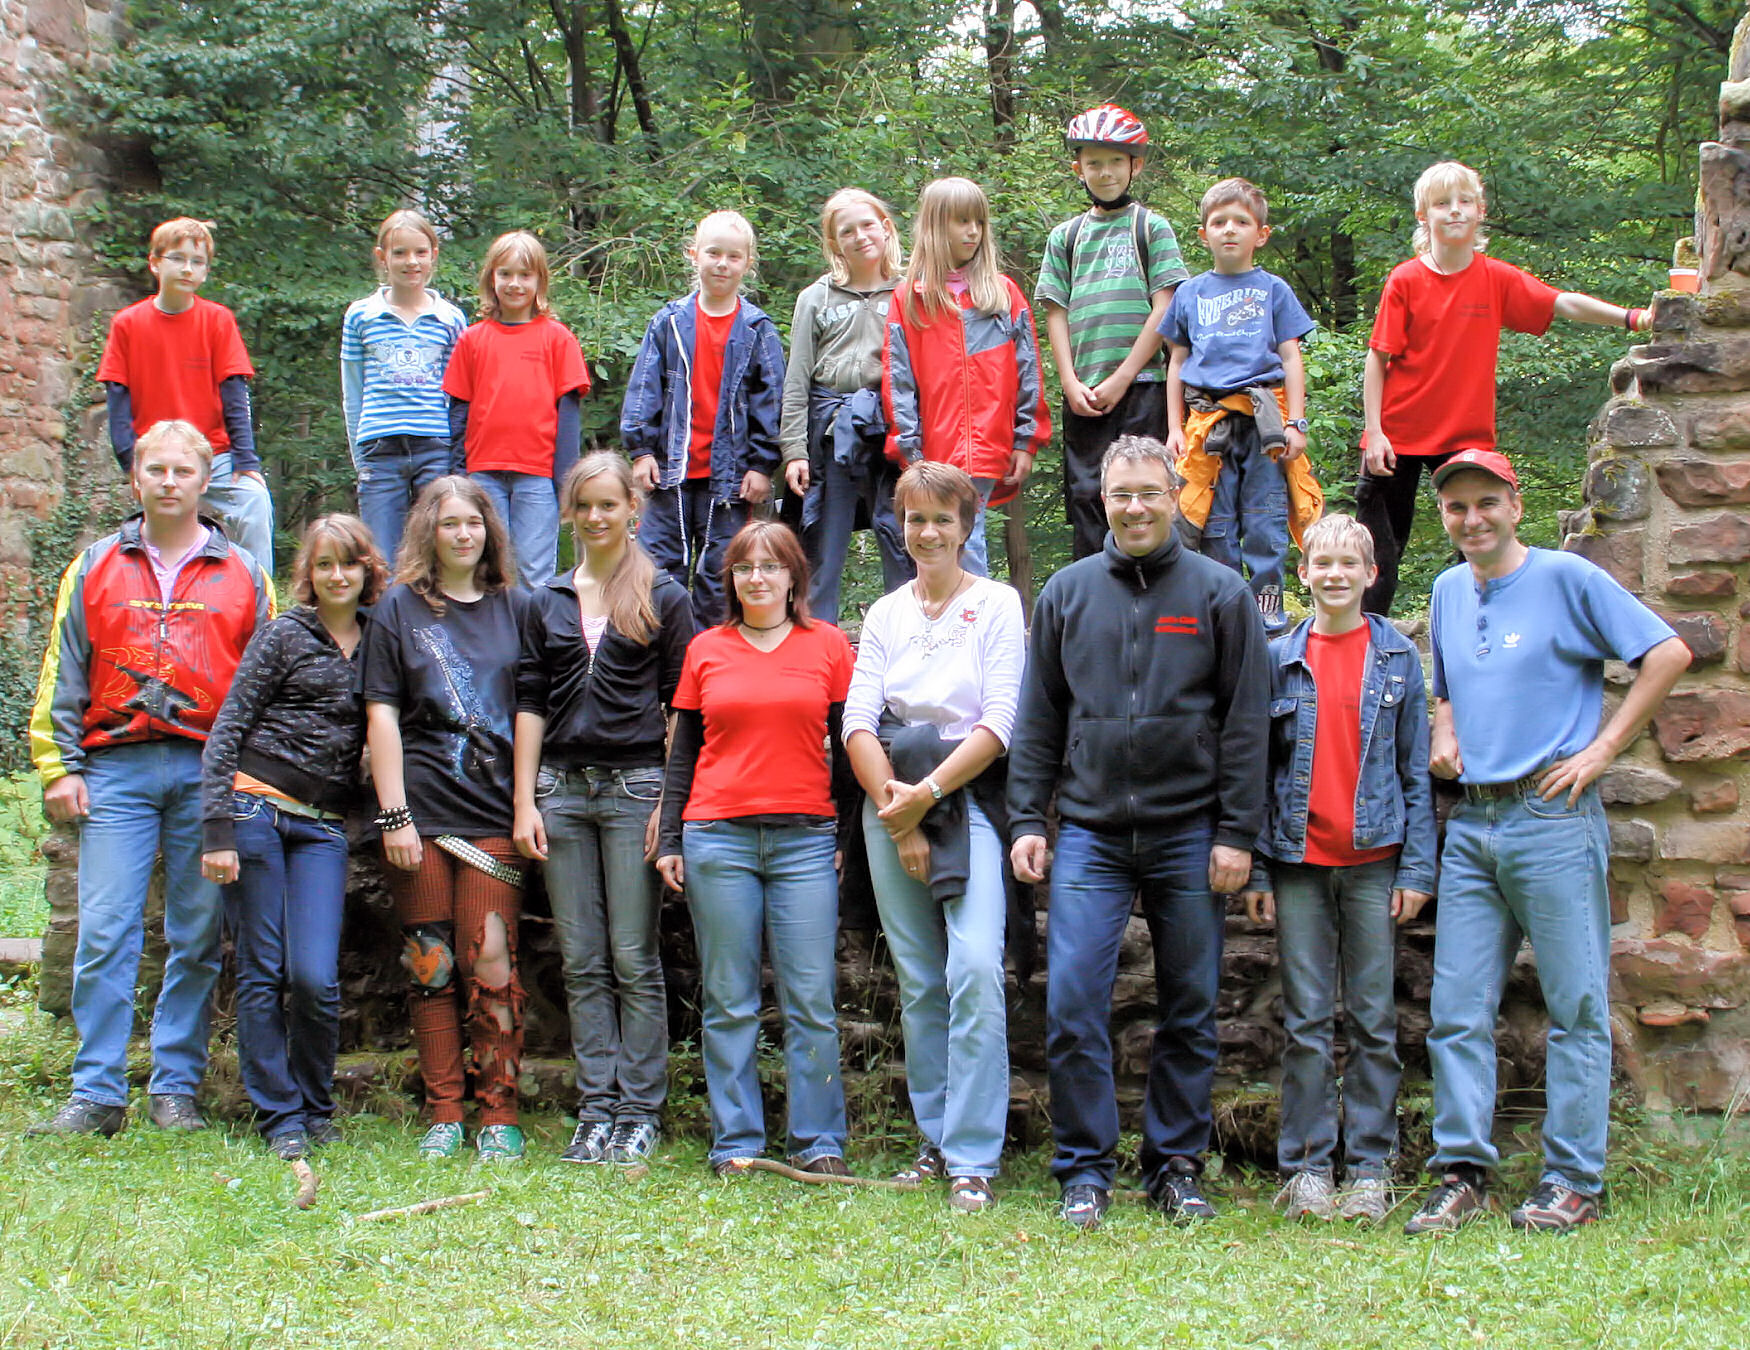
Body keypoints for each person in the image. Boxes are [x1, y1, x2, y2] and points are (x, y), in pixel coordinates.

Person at [1404, 449, 1689, 1235]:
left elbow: (1668, 652)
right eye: (1457, 507)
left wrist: (1603, 752)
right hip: (1471, 825)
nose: (1472, 519)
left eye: (1486, 503)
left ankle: (1571, 1179)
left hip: (1551, 819)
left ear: (1516, 505)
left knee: (1576, 1007)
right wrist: (1445, 730)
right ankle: (1461, 1171)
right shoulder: (1446, 590)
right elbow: (1448, 686)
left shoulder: (1568, 578)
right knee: (1457, 1009)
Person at [1008, 434, 1269, 1231]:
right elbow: (1039, 717)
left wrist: (1237, 833)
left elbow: (1248, 724)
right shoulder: (1066, 592)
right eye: (1121, 494)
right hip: (1088, 833)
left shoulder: (1220, 593)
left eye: (1150, 493)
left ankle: (1176, 1166)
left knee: (1190, 1006)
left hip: (1191, 832)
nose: (1135, 507)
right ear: (1102, 500)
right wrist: (1027, 815)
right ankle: (1084, 1169)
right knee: (1075, 1003)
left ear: (1174, 495)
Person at [28, 419, 274, 1137]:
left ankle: (175, 1088)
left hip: (209, 773)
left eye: (182, 471)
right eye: (155, 470)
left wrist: (248, 778)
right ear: (136, 479)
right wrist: (58, 766)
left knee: (196, 935)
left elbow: (265, 685)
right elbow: (63, 668)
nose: (169, 483)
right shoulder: (97, 564)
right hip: (115, 768)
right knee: (105, 931)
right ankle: (97, 1091)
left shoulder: (243, 574)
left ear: (205, 481)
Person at [1238, 513, 1435, 1224]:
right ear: (1304, 573)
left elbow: (1415, 770)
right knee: (1308, 1022)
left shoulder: (1397, 659)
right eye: (1322, 563)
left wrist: (1418, 870)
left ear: (1371, 574)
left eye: (1350, 564)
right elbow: (1256, 772)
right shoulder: (1277, 654)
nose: (1335, 576)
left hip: (1376, 863)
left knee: (1377, 1020)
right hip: (1297, 864)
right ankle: (1308, 1168)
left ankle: (1371, 1170)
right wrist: (1258, 870)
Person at [843, 462, 1025, 1213]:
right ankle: (936, 1139)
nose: (926, 533)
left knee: (974, 966)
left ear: (966, 523)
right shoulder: (886, 613)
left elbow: (1000, 721)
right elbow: (857, 719)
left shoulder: (999, 604)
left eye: (940, 519)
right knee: (919, 979)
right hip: (888, 802)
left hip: (967, 798)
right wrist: (896, 807)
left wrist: (928, 797)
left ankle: (976, 1154)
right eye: (913, 519)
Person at [1358, 161, 1654, 615]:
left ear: (1480, 211)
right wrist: (1374, 433)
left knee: (1481, 546)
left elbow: (1562, 302)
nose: (1454, 212)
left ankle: (1486, 638)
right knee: (1378, 553)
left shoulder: (1495, 277)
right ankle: (1361, 647)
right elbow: (1377, 358)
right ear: (1424, 215)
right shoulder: (1406, 280)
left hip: (1464, 438)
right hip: (1396, 434)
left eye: (1464, 202)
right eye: (1442, 204)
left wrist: (1631, 317)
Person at [655, 521, 856, 1178]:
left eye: (772, 566)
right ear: (731, 579)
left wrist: (848, 839)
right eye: (745, 568)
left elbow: (852, 751)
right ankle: (736, 1142)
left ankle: (818, 1141)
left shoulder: (826, 645)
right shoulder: (706, 649)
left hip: (806, 841)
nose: (758, 578)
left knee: (810, 998)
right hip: (719, 838)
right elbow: (683, 752)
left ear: (794, 575)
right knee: (729, 998)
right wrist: (674, 838)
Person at [514, 452, 697, 1168]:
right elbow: (529, 702)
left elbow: (683, 706)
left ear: (632, 509)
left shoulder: (664, 594)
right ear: (569, 512)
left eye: (608, 505)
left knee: (632, 955)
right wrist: (525, 798)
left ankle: (639, 1109)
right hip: (560, 791)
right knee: (582, 958)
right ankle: (596, 1107)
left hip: (635, 793)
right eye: (582, 506)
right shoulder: (547, 599)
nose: (595, 517)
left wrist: (670, 804)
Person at [199, 515, 388, 1160]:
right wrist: (216, 829)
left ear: (368, 571)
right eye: (325, 564)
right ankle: (279, 1115)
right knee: (263, 968)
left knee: (314, 974)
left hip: (323, 827)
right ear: (308, 574)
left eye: (350, 564)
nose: (338, 576)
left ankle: (315, 1105)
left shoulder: (378, 642)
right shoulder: (284, 634)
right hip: (254, 811)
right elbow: (227, 731)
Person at [362, 477, 533, 1162]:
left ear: (489, 532)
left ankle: (500, 1113)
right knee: (430, 965)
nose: (463, 535)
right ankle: (443, 1111)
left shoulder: (516, 608)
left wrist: (525, 804)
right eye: (449, 524)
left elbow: (531, 711)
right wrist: (394, 814)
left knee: (490, 960)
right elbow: (380, 714)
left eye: (473, 523)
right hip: (421, 815)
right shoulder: (398, 611)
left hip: (492, 812)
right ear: (428, 533)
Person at [1161, 178, 1321, 636]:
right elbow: (1177, 360)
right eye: (1218, 222)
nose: (1229, 230)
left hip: (1265, 422)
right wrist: (1174, 426)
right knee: (1214, 520)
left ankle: (1269, 614)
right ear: (1203, 234)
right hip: (1208, 422)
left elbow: (1291, 356)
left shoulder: (1273, 290)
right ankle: (1225, 610)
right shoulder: (1189, 293)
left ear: (1261, 234)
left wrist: (1297, 422)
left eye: (1241, 222)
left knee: (1266, 518)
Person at [1036, 104, 1189, 560]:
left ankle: (1153, 586)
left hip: (1143, 387)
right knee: (1088, 496)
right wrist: (1068, 381)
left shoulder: (1150, 227)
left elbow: (1165, 306)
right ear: (1078, 168)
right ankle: (1093, 597)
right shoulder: (1066, 236)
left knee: (1144, 491)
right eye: (1094, 162)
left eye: (1115, 161)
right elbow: (1055, 311)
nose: (1104, 172)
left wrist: (1123, 376)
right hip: (1084, 393)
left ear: (1134, 165)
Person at [622, 211, 786, 623]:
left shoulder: (757, 328)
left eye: (733, 256)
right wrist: (641, 451)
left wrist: (763, 464)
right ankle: (666, 664)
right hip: (669, 473)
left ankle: (714, 661)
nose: (722, 264)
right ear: (694, 256)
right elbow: (645, 387)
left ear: (747, 263)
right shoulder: (670, 322)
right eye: (713, 253)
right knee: (659, 570)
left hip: (730, 480)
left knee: (722, 573)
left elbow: (772, 399)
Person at [882, 176, 1050, 578]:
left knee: (965, 539)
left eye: (978, 221)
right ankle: (956, 623)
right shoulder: (910, 300)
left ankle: (977, 627)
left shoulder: (1003, 293)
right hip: (933, 448)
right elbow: (897, 381)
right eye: (961, 221)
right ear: (937, 227)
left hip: (990, 443)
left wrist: (1027, 439)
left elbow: (1030, 370)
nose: (972, 231)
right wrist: (910, 450)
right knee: (949, 542)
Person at [97, 216, 277, 572]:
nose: (187, 268)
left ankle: (262, 606)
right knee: (143, 532)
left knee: (256, 502)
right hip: (155, 455)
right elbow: (117, 398)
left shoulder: (218, 320)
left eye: (197, 261)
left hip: (215, 453)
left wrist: (247, 460)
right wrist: (130, 462)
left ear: (206, 271)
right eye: (177, 258)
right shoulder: (128, 324)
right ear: (155, 263)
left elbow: (235, 394)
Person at [780, 189, 913, 625]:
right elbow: (796, 379)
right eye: (847, 231)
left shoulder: (910, 291)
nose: (860, 236)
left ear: (886, 228)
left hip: (890, 425)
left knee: (899, 539)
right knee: (822, 545)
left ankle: (906, 643)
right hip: (831, 429)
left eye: (868, 225)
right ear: (834, 243)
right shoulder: (815, 298)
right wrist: (794, 451)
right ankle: (821, 651)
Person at [444, 230, 592, 588]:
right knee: (488, 568)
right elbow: (458, 413)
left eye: (525, 275)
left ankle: (533, 643)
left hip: (537, 476)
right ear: (491, 279)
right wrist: (457, 474)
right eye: (505, 274)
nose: (514, 284)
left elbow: (568, 417)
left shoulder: (557, 338)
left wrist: (565, 482)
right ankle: (491, 641)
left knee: (532, 571)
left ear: (540, 281)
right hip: (482, 474)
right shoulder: (473, 339)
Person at [341, 209, 468, 563]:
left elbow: (456, 394)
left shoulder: (450, 318)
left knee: (436, 550)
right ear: (382, 258)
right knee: (381, 555)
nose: (411, 262)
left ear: (433, 255)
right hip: (380, 447)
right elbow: (353, 388)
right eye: (400, 253)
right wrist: (359, 453)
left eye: (420, 252)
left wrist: (457, 455)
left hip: (434, 445)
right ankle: (386, 618)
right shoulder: (361, 315)